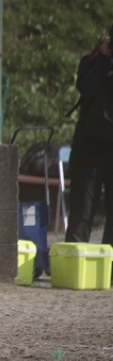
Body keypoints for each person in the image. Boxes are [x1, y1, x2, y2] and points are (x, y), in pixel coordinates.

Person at [65, 28, 113, 246]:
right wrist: (103, 58)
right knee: (81, 214)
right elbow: (87, 88)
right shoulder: (93, 62)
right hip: (89, 147)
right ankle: (75, 262)